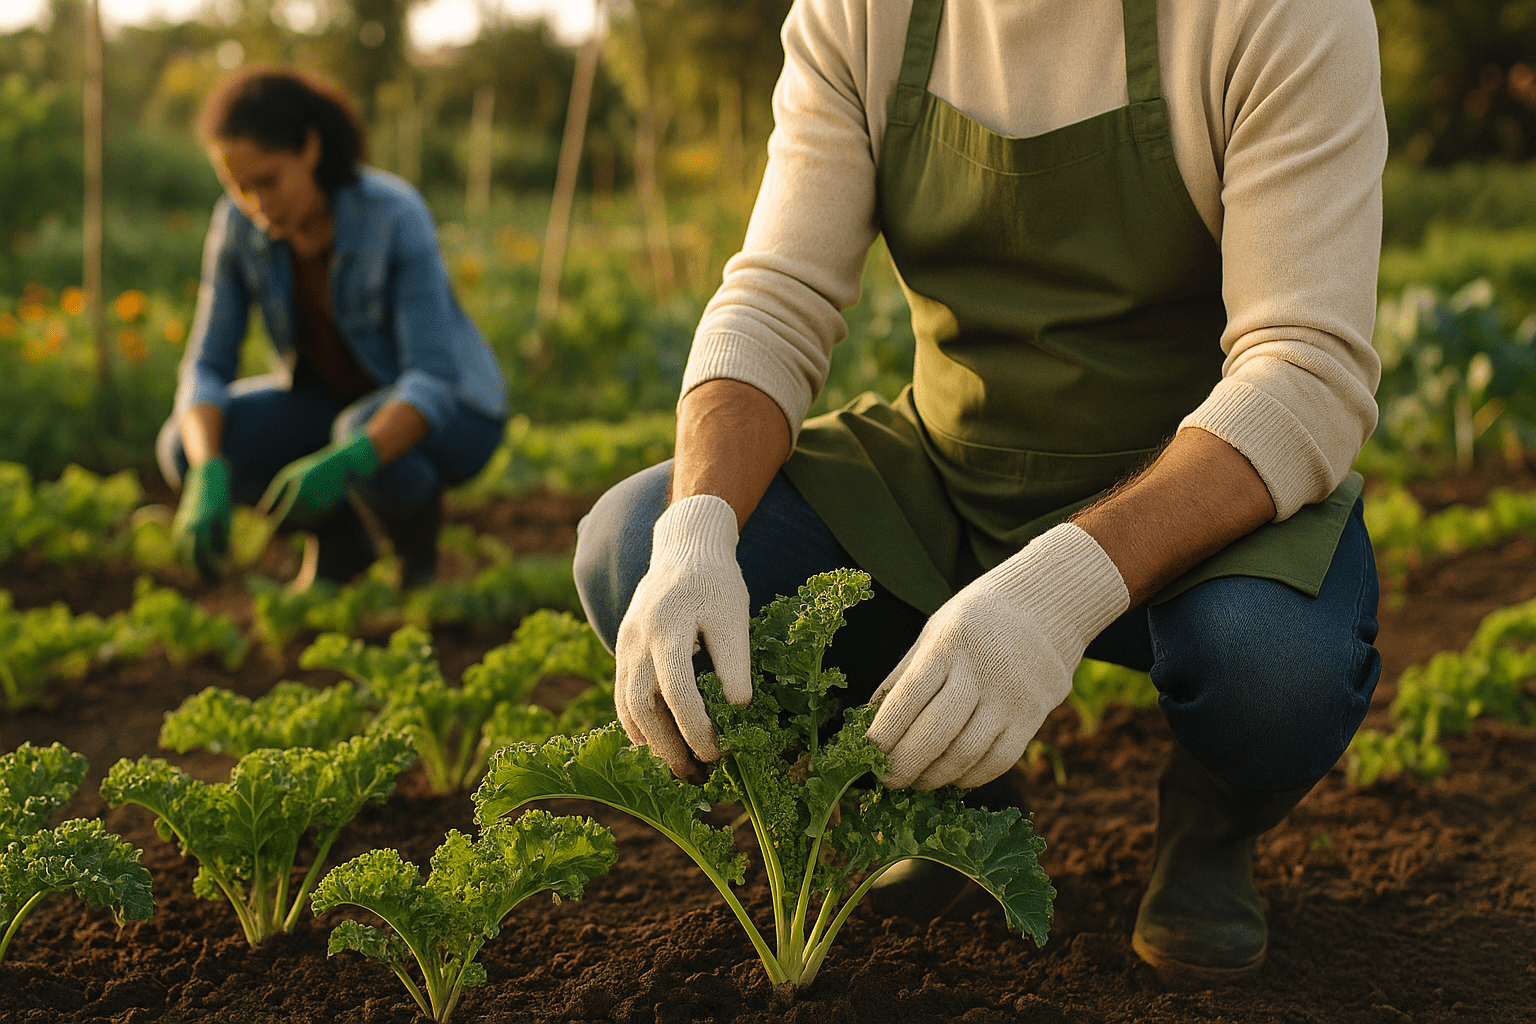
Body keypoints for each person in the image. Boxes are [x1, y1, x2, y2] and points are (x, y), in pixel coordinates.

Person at [575, 0, 1389, 984]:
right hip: (947, 477)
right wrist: (698, 529)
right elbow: (776, 297)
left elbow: (1302, 366)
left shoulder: (1275, 14)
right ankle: (951, 785)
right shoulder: (858, 12)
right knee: (633, 539)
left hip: (1196, 503)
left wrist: (1060, 588)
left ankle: (1212, 820)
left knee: (1275, 669)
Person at [160, 67, 507, 589]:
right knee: (184, 445)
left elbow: (431, 378)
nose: (257, 205)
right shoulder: (236, 226)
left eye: (268, 182)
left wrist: (347, 459)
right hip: (334, 404)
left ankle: (418, 555)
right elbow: (207, 365)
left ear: (311, 149)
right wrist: (208, 468)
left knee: (355, 432)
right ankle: (342, 547)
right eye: (238, 188)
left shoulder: (393, 213)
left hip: (460, 414)